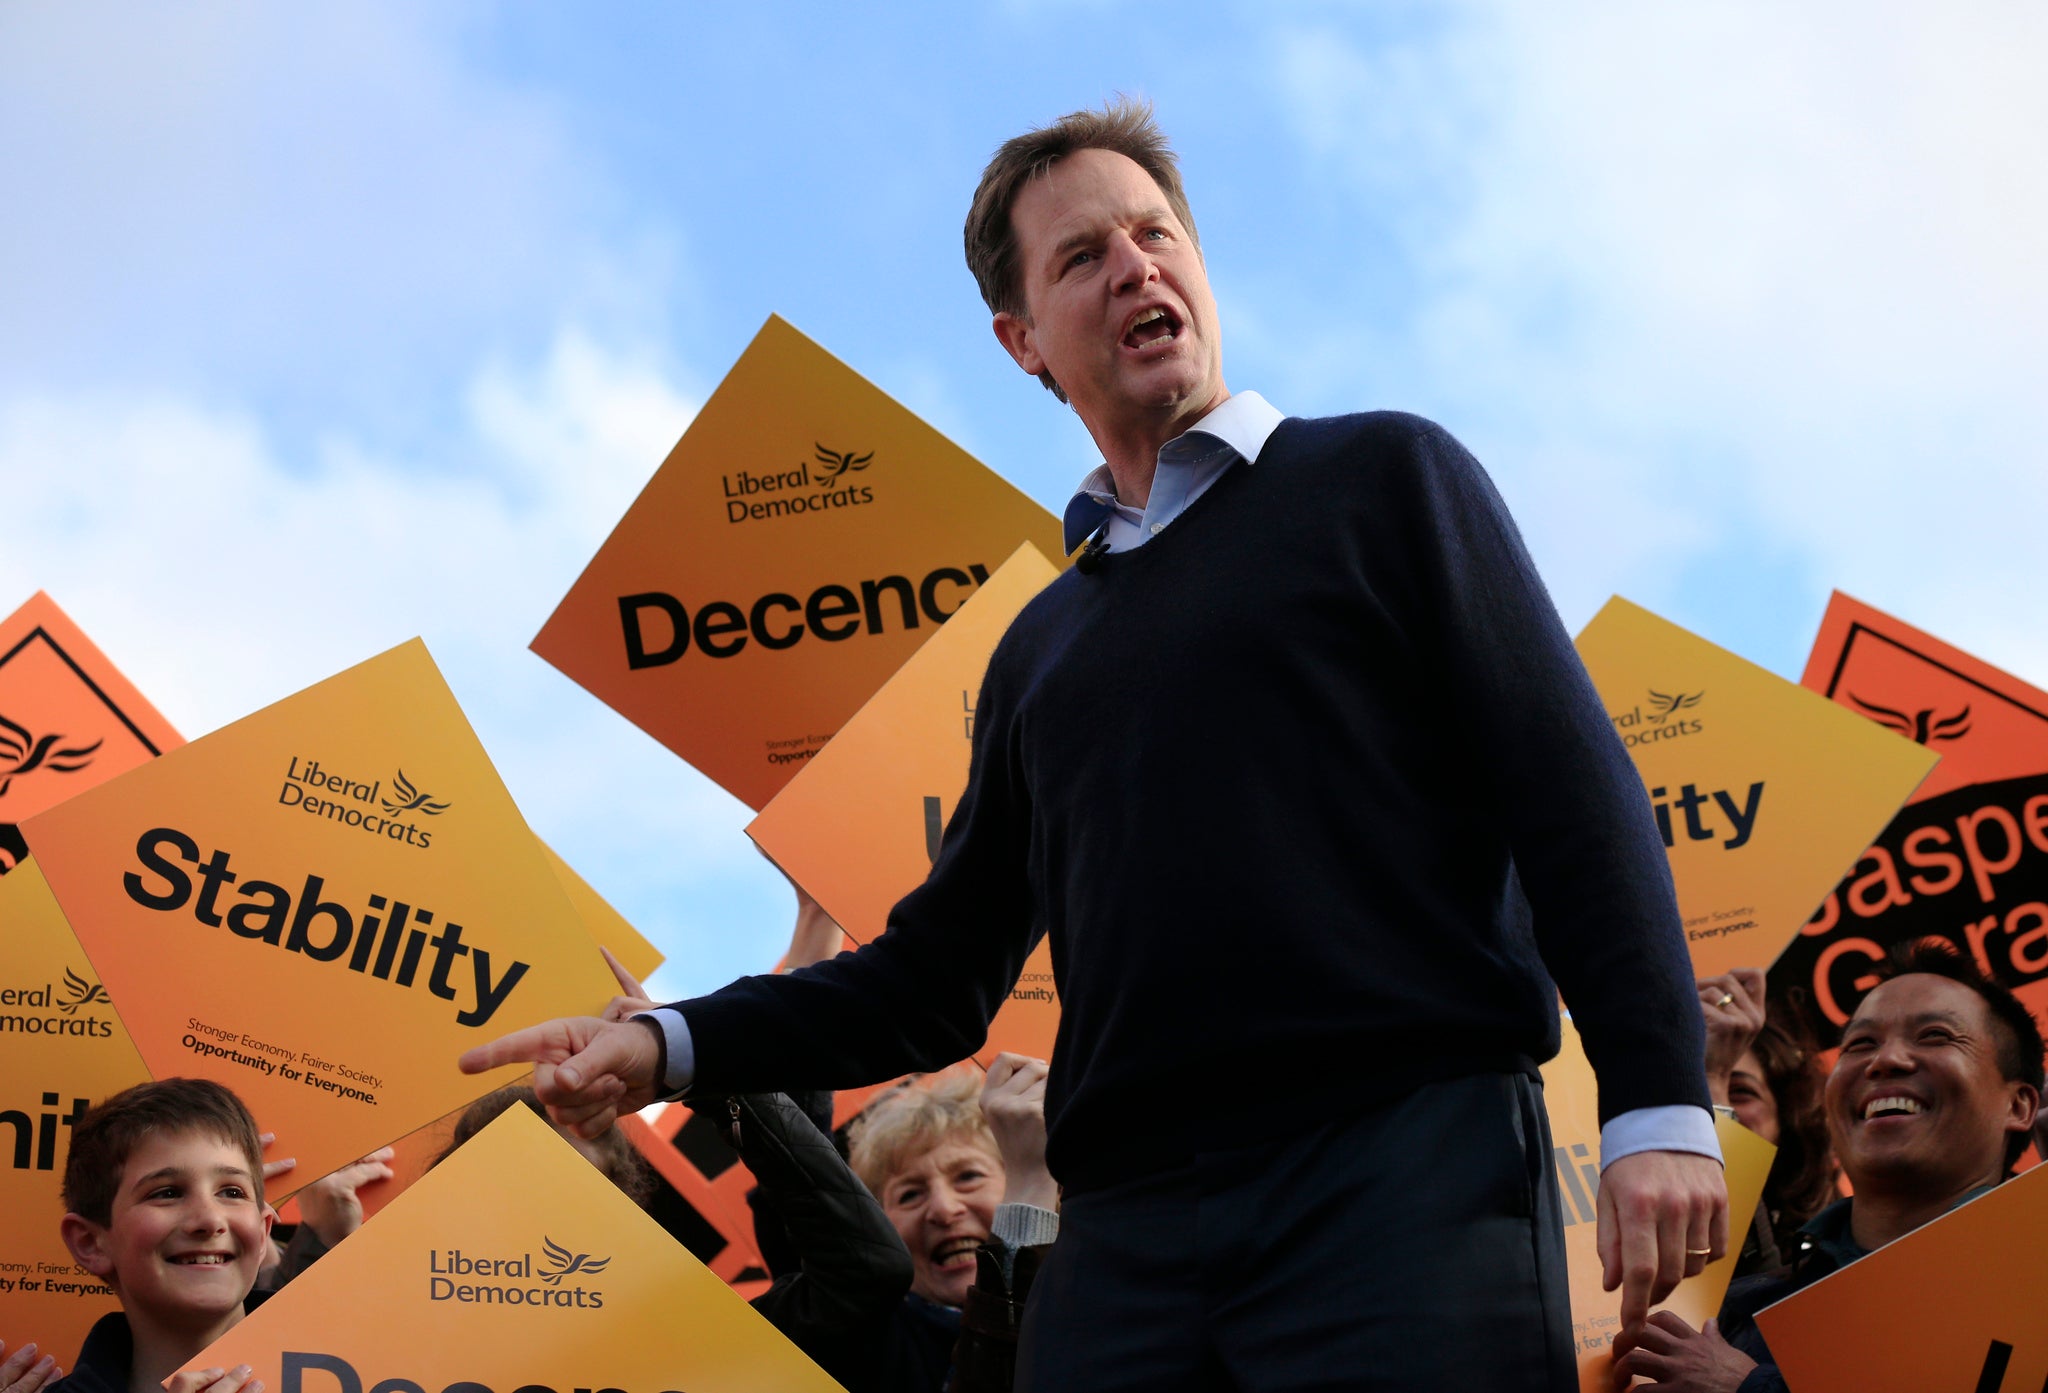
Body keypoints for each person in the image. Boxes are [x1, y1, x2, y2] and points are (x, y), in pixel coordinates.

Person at [464, 99, 1725, 1390]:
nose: (1135, 265)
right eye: (1081, 256)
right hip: (1125, 1234)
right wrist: (672, 1041)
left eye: (1155, 233)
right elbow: (930, 979)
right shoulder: (1038, 648)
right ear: (1021, 342)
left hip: (1399, 1173)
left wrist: (1656, 1098)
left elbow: (1569, 786)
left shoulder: (1384, 479)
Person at [1616, 945, 2043, 1392]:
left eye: (1935, 1035)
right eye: (1860, 1044)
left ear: (2019, 1104)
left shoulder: (2037, 1286)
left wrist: (1746, 1387)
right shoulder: (1750, 1308)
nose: (1885, 1060)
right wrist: (1707, 1079)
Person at [41, 1080, 276, 1393]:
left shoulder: (361, 1366)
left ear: (262, 1233)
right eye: (167, 1193)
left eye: (232, 1191)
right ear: (90, 1243)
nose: (209, 1219)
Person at [1697, 970, 1836, 1277]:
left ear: (1787, 1120)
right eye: (1692, 1094)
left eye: (1741, 1092)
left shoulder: (1833, 1247)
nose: (1709, 1105)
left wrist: (1712, 1078)